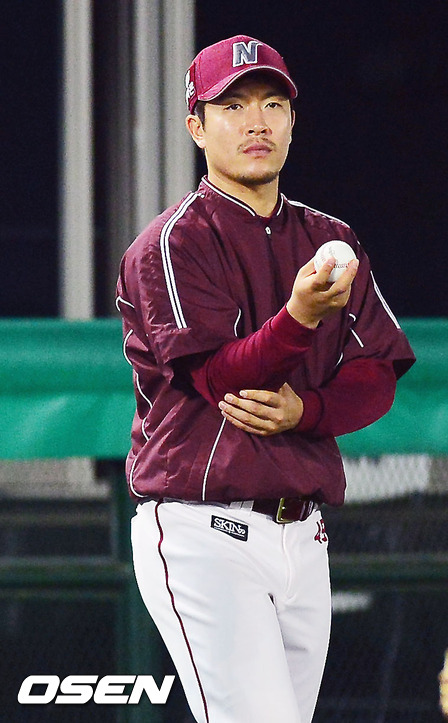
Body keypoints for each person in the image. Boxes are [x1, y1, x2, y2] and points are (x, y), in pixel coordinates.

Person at [116, 35, 416, 723]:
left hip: (304, 536)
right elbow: (223, 379)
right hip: (202, 531)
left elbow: (377, 373)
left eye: (272, 104)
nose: (257, 121)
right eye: (233, 106)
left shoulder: (330, 237)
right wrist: (301, 316)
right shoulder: (171, 244)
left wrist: (307, 410)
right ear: (196, 126)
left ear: (292, 121)